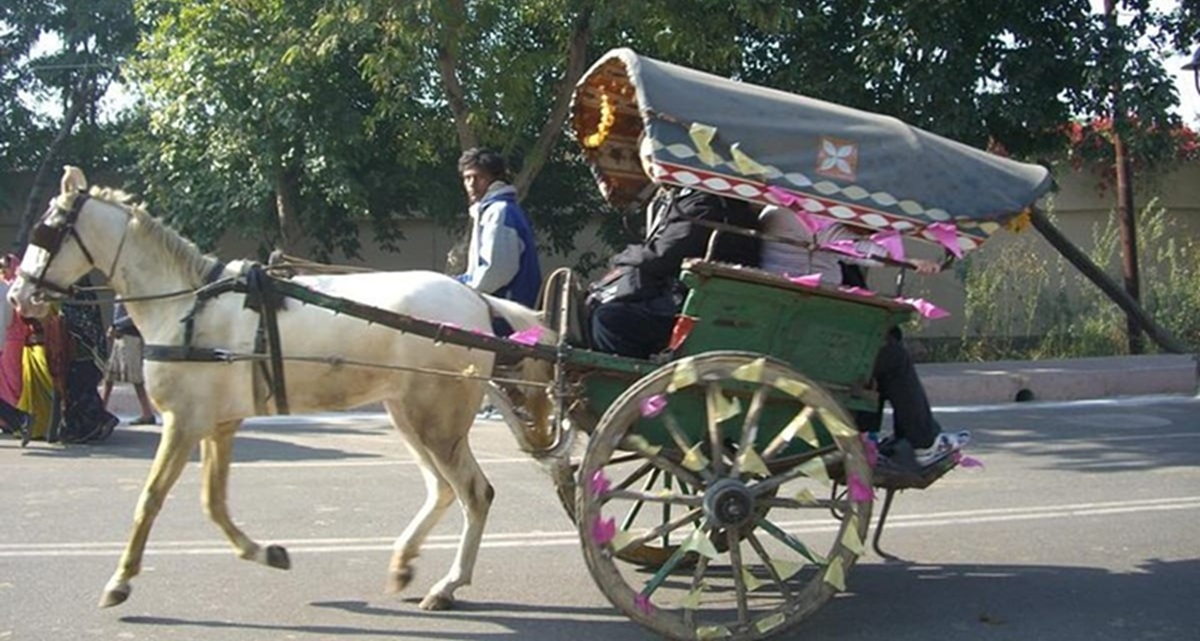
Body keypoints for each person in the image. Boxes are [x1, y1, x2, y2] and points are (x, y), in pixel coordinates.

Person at [759, 205, 969, 466]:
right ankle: (924, 443)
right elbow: (849, 246)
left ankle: (874, 436)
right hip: (809, 319)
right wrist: (907, 261)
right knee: (891, 357)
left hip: (797, 312)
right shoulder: (799, 214)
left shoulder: (776, 211)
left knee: (883, 342)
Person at [588, 138, 761, 359]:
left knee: (610, 319)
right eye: (647, 160)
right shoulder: (679, 198)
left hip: (707, 309)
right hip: (687, 296)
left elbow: (664, 255)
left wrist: (622, 259)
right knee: (601, 303)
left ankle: (628, 382)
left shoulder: (707, 201)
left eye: (657, 157)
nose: (652, 166)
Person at [455, 148, 542, 316]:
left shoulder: (500, 211)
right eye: (467, 178)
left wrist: (460, 291)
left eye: (478, 177)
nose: (471, 184)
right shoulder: (489, 210)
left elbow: (496, 272)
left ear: (495, 179)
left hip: (507, 315)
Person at [55, 278, 119, 444]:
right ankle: (96, 423)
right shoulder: (85, 296)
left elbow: (79, 324)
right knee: (81, 389)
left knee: (80, 389)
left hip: (83, 352)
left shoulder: (79, 299)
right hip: (83, 352)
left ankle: (92, 425)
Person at [101, 302, 157, 425]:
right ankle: (102, 407)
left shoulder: (130, 294)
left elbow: (135, 315)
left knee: (134, 376)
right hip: (121, 336)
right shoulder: (121, 293)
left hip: (131, 336)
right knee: (110, 376)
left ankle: (147, 413)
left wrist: (116, 325)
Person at [0, 255, 32, 440]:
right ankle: (18, 419)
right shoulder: (5, 287)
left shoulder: (8, 288)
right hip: (5, 341)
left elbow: (8, 319)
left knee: (12, 380)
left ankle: (19, 419)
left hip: (11, 340)